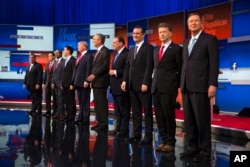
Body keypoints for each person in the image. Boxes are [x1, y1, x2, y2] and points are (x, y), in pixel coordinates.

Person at [180, 13, 219, 161]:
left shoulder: (209, 40)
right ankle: (192, 148)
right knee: (189, 121)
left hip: (201, 86)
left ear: (201, 24)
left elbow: (213, 64)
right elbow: (186, 64)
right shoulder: (186, 42)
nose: (193, 23)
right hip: (186, 86)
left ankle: (204, 151)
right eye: (191, 21)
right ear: (188, 25)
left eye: (196, 21)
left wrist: (212, 84)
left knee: (202, 121)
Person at [152, 23, 182, 152]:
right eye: (160, 32)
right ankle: (163, 140)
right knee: (159, 116)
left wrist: (178, 87)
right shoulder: (156, 50)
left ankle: (170, 141)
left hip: (169, 87)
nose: (162, 34)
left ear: (170, 33)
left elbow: (180, 70)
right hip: (156, 87)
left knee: (168, 115)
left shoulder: (176, 49)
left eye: (164, 32)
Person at [121, 26, 154, 144]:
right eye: (134, 33)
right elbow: (127, 67)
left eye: (137, 33)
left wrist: (146, 82)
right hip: (131, 85)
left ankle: (148, 136)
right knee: (135, 112)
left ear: (143, 35)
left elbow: (149, 66)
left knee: (147, 112)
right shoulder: (131, 49)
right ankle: (136, 134)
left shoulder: (148, 48)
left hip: (143, 85)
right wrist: (125, 80)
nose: (135, 35)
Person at [87, 33, 110, 133]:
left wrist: (94, 75)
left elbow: (104, 66)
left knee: (102, 104)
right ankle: (99, 122)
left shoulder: (105, 51)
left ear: (100, 40)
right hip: (96, 82)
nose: (93, 41)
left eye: (94, 39)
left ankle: (104, 124)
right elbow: (95, 67)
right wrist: (93, 79)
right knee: (97, 104)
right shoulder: (97, 52)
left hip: (101, 82)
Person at [109, 36, 130, 138]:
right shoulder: (115, 54)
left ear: (121, 43)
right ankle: (118, 127)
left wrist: (115, 72)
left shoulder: (127, 53)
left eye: (114, 42)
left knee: (124, 110)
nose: (113, 44)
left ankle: (124, 129)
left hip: (122, 86)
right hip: (114, 86)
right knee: (117, 110)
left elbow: (128, 70)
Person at [72, 41, 93, 125]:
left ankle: (85, 118)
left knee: (85, 101)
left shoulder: (88, 56)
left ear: (84, 46)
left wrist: (87, 80)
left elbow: (89, 69)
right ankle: (80, 117)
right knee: (80, 101)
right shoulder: (79, 56)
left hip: (84, 82)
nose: (78, 46)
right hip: (77, 82)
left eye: (79, 45)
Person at [61, 46, 76, 122]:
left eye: (64, 50)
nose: (63, 51)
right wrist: (62, 83)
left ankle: (72, 116)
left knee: (71, 101)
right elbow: (63, 73)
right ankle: (67, 114)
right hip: (64, 85)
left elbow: (74, 73)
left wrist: (72, 83)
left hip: (70, 85)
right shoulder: (65, 61)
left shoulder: (73, 60)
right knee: (66, 101)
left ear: (69, 51)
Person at [52, 50, 65, 120]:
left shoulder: (64, 62)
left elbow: (64, 74)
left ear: (60, 53)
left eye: (56, 53)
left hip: (61, 84)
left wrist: (62, 83)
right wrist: (52, 83)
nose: (55, 55)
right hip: (55, 84)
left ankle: (62, 114)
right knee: (57, 99)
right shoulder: (55, 62)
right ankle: (58, 113)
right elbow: (54, 74)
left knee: (61, 99)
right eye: (55, 54)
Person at [42, 52, 57, 117]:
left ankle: (55, 112)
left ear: (54, 56)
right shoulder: (47, 64)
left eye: (50, 56)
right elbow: (45, 74)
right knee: (47, 98)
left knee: (55, 99)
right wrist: (43, 83)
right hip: (47, 84)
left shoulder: (57, 63)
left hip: (54, 84)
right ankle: (48, 111)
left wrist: (54, 83)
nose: (49, 57)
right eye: (48, 56)